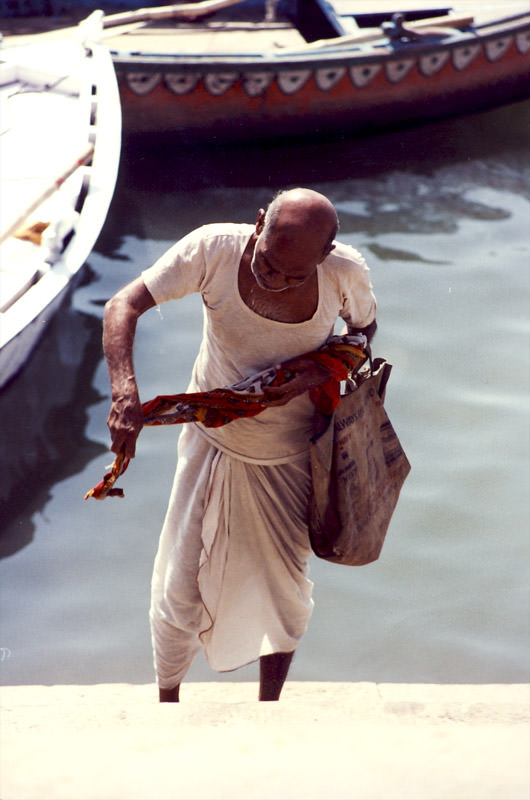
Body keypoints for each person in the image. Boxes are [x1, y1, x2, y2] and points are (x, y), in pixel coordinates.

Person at [103, 187, 377, 701]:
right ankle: (167, 705)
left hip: (292, 453)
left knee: (283, 591)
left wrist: (312, 374)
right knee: (179, 589)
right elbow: (124, 304)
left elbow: (363, 334)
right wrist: (124, 391)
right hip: (212, 440)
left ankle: (268, 709)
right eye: (268, 265)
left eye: (293, 275)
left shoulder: (345, 274)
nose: (273, 280)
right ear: (257, 225)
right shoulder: (214, 250)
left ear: (324, 257)